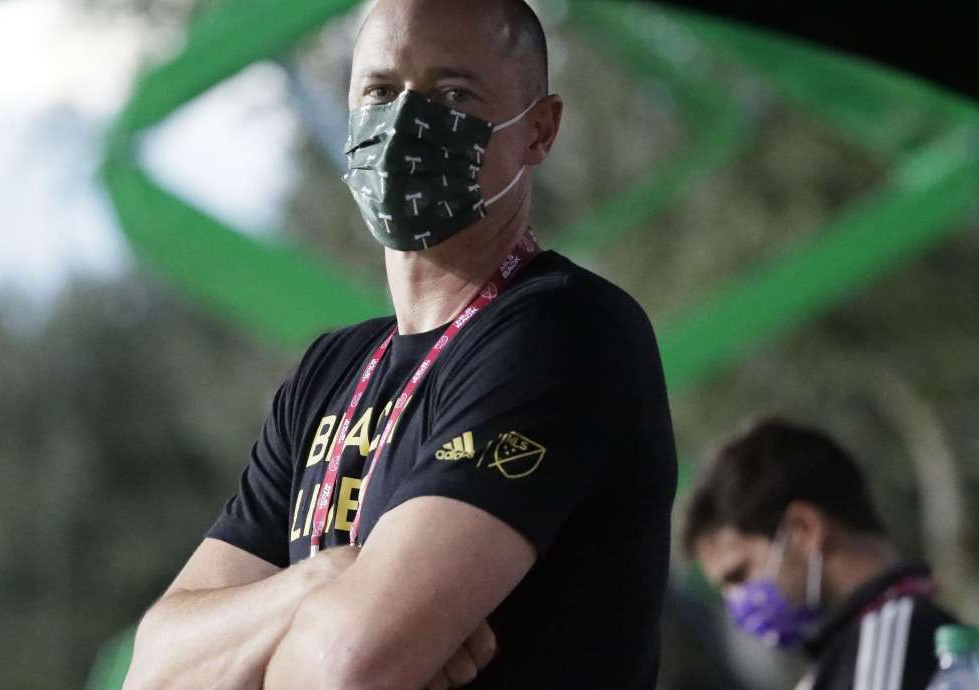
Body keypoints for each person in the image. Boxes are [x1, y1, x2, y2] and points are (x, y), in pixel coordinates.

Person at [123, 1, 677, 688]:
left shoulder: (564, 333)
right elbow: (154, 672)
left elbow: (348, 670)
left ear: (540, 129)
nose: (406, 124)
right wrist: (320, 583)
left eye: (452, 95)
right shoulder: (329, 373)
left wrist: (264, 645)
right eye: (381, 92)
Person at [683, 417, 962, 690]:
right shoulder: (851, 656)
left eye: (739, 574)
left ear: (804, 529)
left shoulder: (892, 643)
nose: (736, 603)